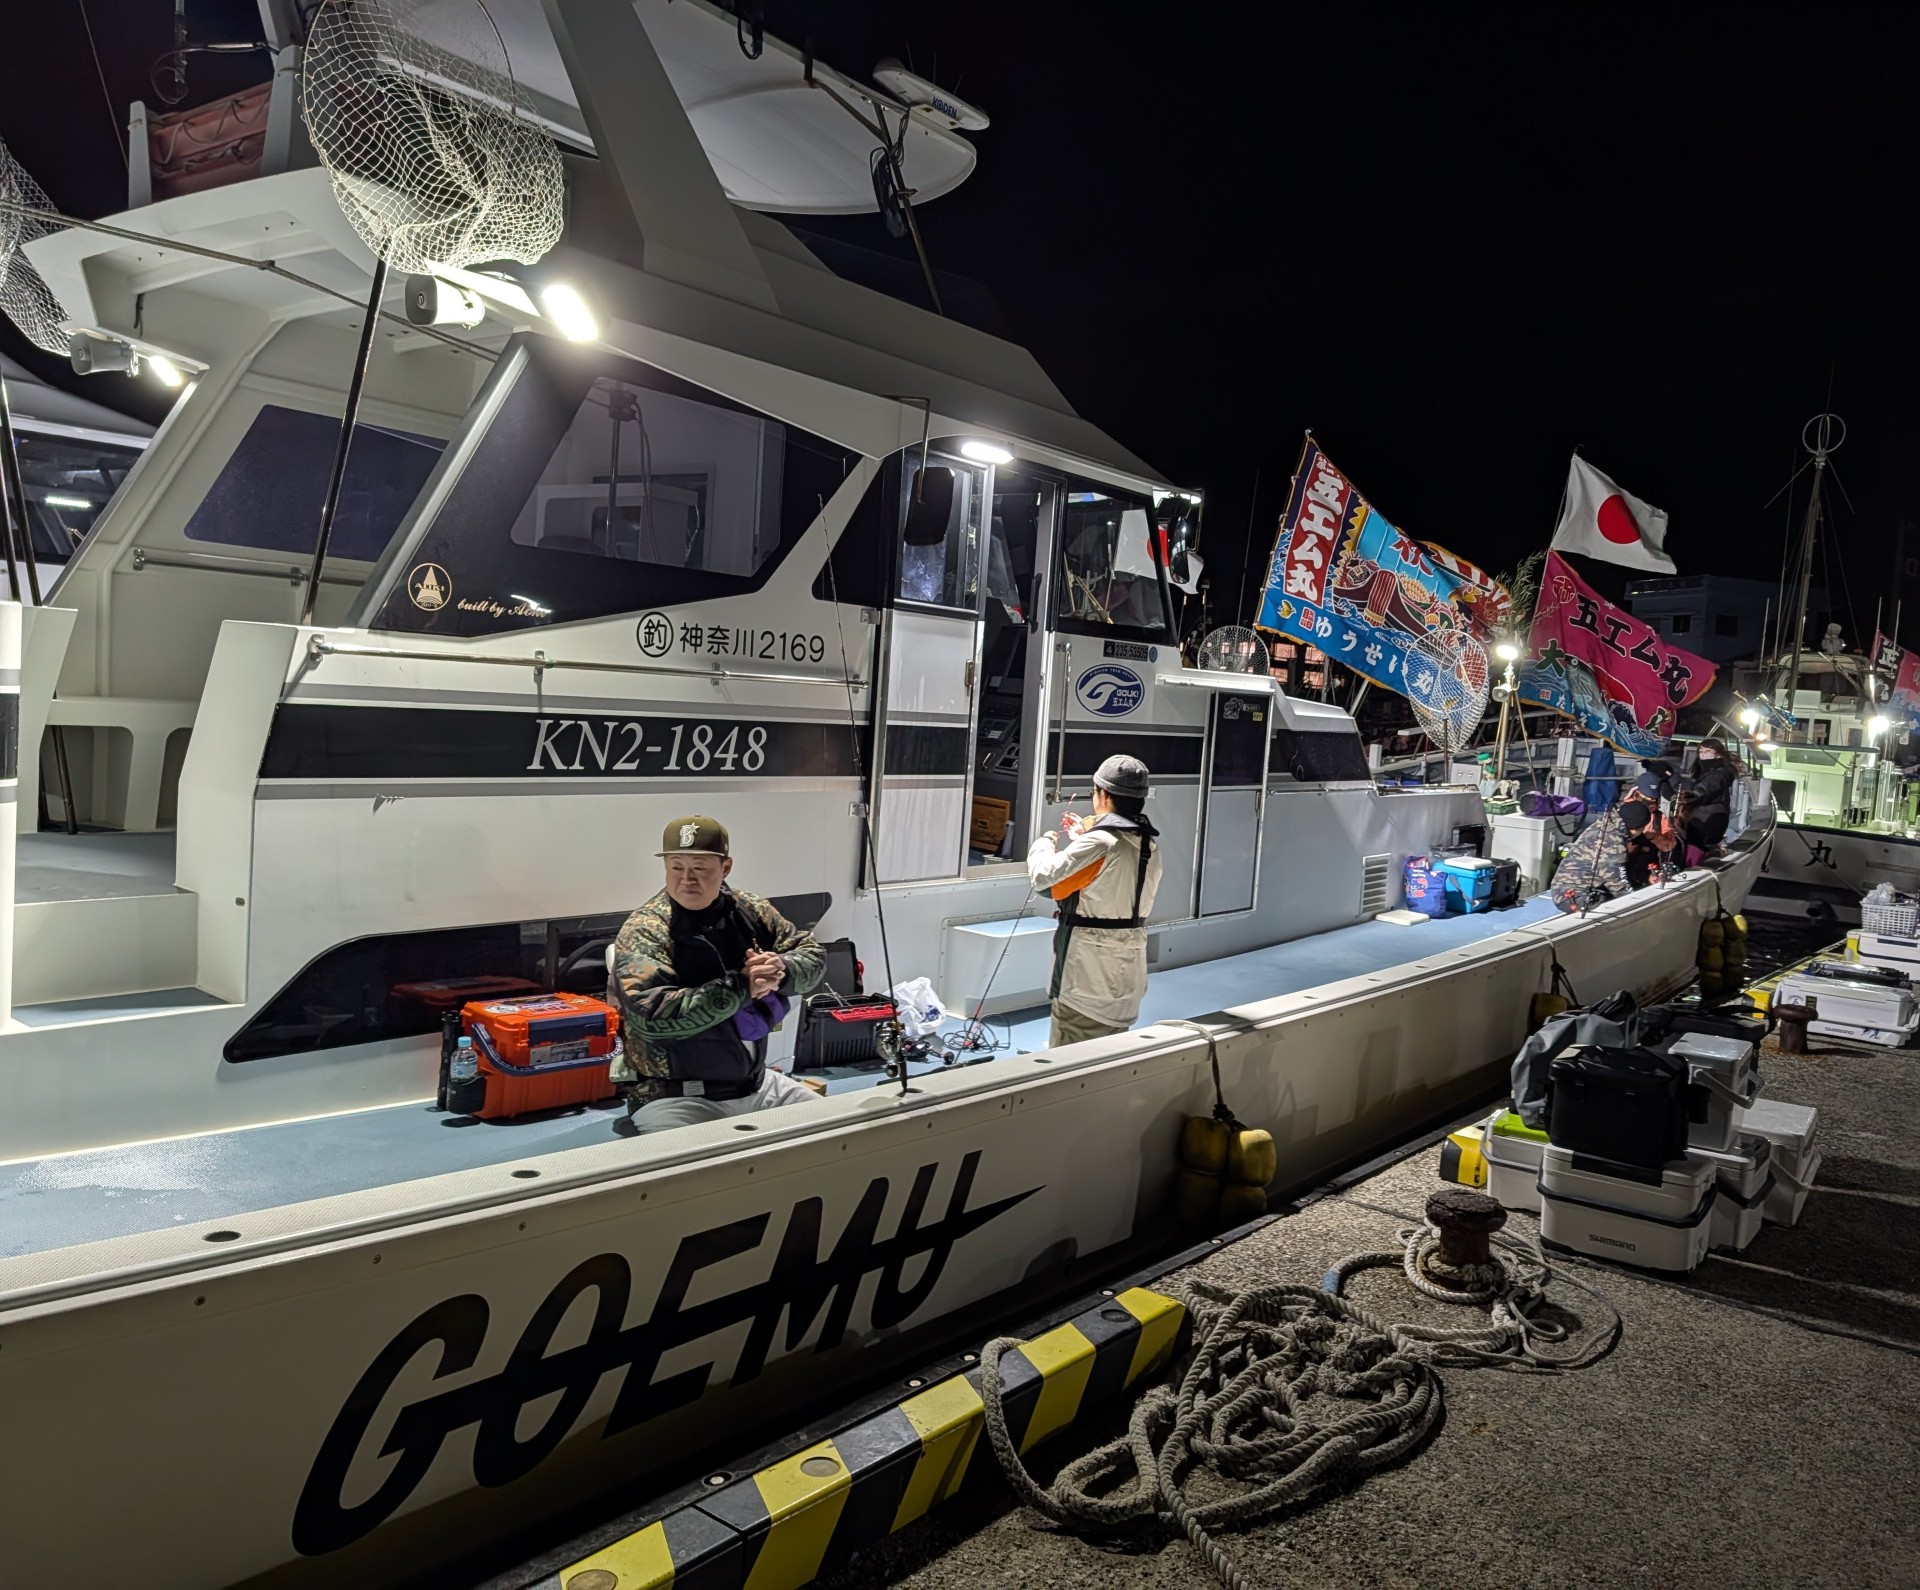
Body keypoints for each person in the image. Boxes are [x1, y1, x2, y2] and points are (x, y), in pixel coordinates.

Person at [609, 815, 824, 1133]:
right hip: (675, 1096)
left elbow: (813, 956)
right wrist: (743, 987)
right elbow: (650, 1017)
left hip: (756, 1084)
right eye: (676, 867)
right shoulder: (647, 928)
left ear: (726, 868)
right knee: (701, 1163)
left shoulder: (750, 909)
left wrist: (782, 969)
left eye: (700, 868)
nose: (687, 879)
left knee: (841, 1130)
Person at [1027, 754, 1164, 1046]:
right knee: (1109, 1058)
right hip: (1126, 980)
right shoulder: (1148, 844)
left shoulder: (1100, 842)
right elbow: (1109, 876)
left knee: (1071, 1062)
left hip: (1087, 984)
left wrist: (1043, 844)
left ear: (1103, 795)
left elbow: (1044, 880)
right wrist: (1085, 835)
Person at [1551, 788, 1677, 912]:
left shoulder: (1607, 823)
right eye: (1642, 829)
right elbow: (1619, 888)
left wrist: (1647, 876)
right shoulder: (1614, 847)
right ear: (1635, 829)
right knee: (1615, 906)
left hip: (1577, 885)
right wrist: (1641, 906)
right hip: (1572, 896)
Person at [1684, 737, 1738, 852]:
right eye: (1701, 751)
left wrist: (1697, 793)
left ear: (1718, 754)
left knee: (1698, 849)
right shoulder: (1700, 770)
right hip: (1700, 817)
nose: (1703, 754)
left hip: (1710, 820)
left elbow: (1711, 785)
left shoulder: (1721, 772)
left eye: (1707, 751)